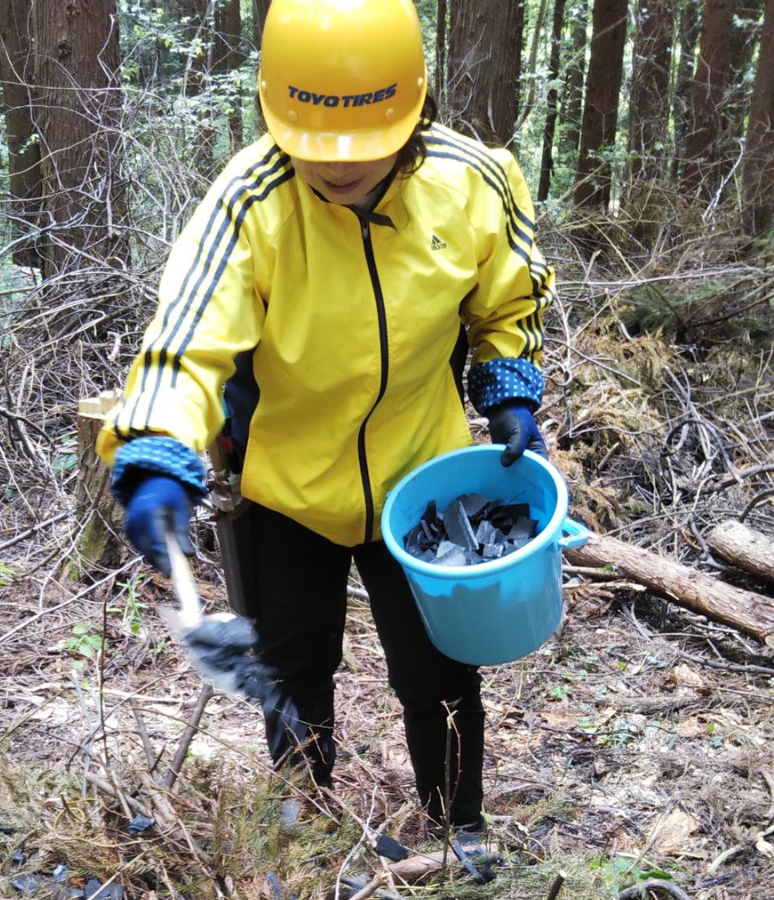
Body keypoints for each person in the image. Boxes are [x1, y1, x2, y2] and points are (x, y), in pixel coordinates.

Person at [97, 0, 554, 838]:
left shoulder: (471, 181)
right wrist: (158, 448)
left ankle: (459, 828)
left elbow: (506, 303)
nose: (337, 164)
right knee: (292, 667)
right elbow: (186, 341)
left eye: (362, 141)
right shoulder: (250, 204)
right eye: (313, 141)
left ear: (411, 109)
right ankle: (304, 826)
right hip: (288, 488)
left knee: (440, 672)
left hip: (420, 483)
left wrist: (508, 388)